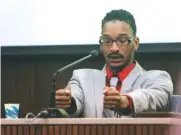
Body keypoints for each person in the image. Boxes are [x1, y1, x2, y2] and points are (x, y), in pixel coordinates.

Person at [55, 9, 173, 117]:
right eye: (107, 41)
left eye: (122, 41)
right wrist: (69, 104)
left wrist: (126, 101)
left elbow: (151, 98)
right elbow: (75, 100)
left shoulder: (157, 79)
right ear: (101, 45)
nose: (114, 48)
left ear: (136, 43)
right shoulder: (82, 78)